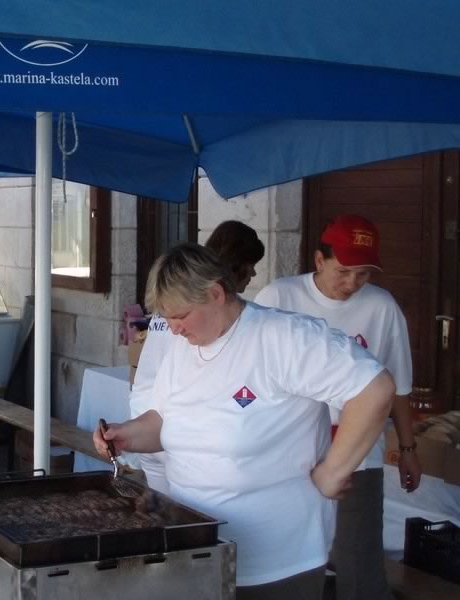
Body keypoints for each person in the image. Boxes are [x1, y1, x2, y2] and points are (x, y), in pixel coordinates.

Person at [94, 243, 394, 598]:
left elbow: (375, 389)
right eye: (167, 318)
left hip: (276, 561)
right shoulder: (182, 349)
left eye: (180, 316)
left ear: (215, 294)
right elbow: (163, 420)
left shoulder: (282, 337)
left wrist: (333, 471)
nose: (173, 329)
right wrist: (126, 434)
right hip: (198, 549)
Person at [254, 214, 421, 600]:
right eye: (343, 271)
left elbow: (397, 387)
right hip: (288, 448)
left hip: (357, 448)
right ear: (319, 260)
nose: (352, 284)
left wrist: (408, 448)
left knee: (358, 555)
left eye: (363, 275)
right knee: (287, 553)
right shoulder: (279, 299)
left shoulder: (382, 307)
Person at [129, 222, 265, 493]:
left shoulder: (187, 309)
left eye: (179, 318)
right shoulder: (191, 323)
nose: (176, 329)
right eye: (250, 267)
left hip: (157, 427)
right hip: (161, 432)